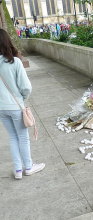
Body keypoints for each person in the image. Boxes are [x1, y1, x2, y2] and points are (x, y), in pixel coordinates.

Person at [0, 29, 45, 179]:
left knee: (13, 137)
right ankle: (29, 167)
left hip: (1, 108)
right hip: (15, 106)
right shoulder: (14, 62)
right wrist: (21, 98)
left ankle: (18, 170)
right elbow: (26, 87)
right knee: (23, 137)